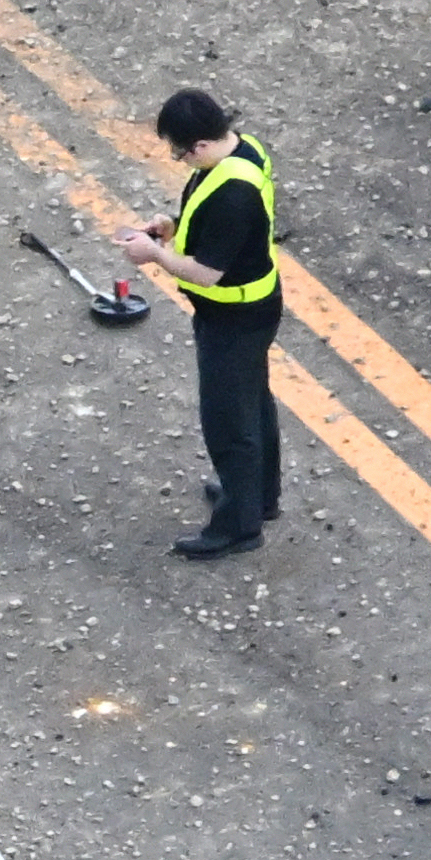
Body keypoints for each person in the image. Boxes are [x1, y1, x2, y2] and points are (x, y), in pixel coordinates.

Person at [113, 89, 283, 559]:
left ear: (201, 146)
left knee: (229, 422)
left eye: (181, 151)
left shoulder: (234, 194)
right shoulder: (241, 153)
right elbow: (212, 227)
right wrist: (170, 226)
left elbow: (207, 272)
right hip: (250, 309)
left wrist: (156, 255)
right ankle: (259, 497)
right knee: (254, 405)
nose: (181, 160)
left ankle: (238, 526)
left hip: (234, 317)